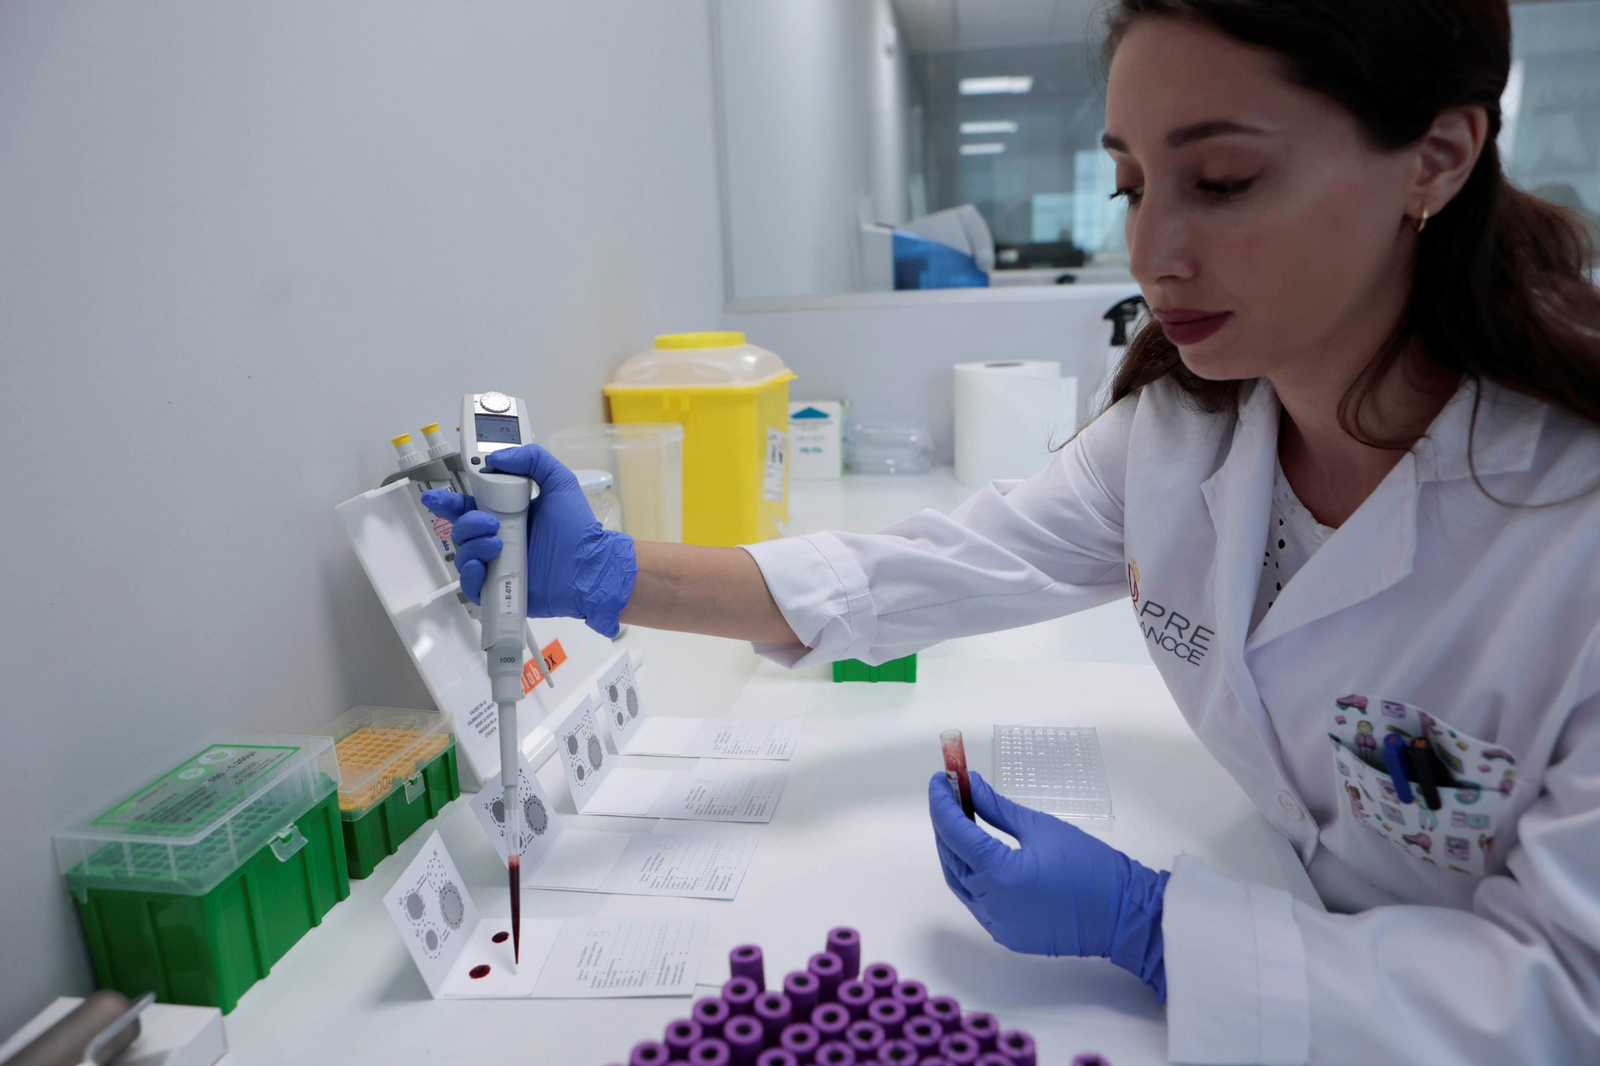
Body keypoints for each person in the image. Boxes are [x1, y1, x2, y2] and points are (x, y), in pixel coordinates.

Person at [423, 1, 1600, 1060]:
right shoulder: (1183, 436)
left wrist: (1157, 930)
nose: (1151, 254)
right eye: (1133, 186)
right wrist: (609, 573)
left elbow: (1565, 999)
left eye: (1226, 180)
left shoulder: (1569, 523)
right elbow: (935, 565)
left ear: (1434, 163)